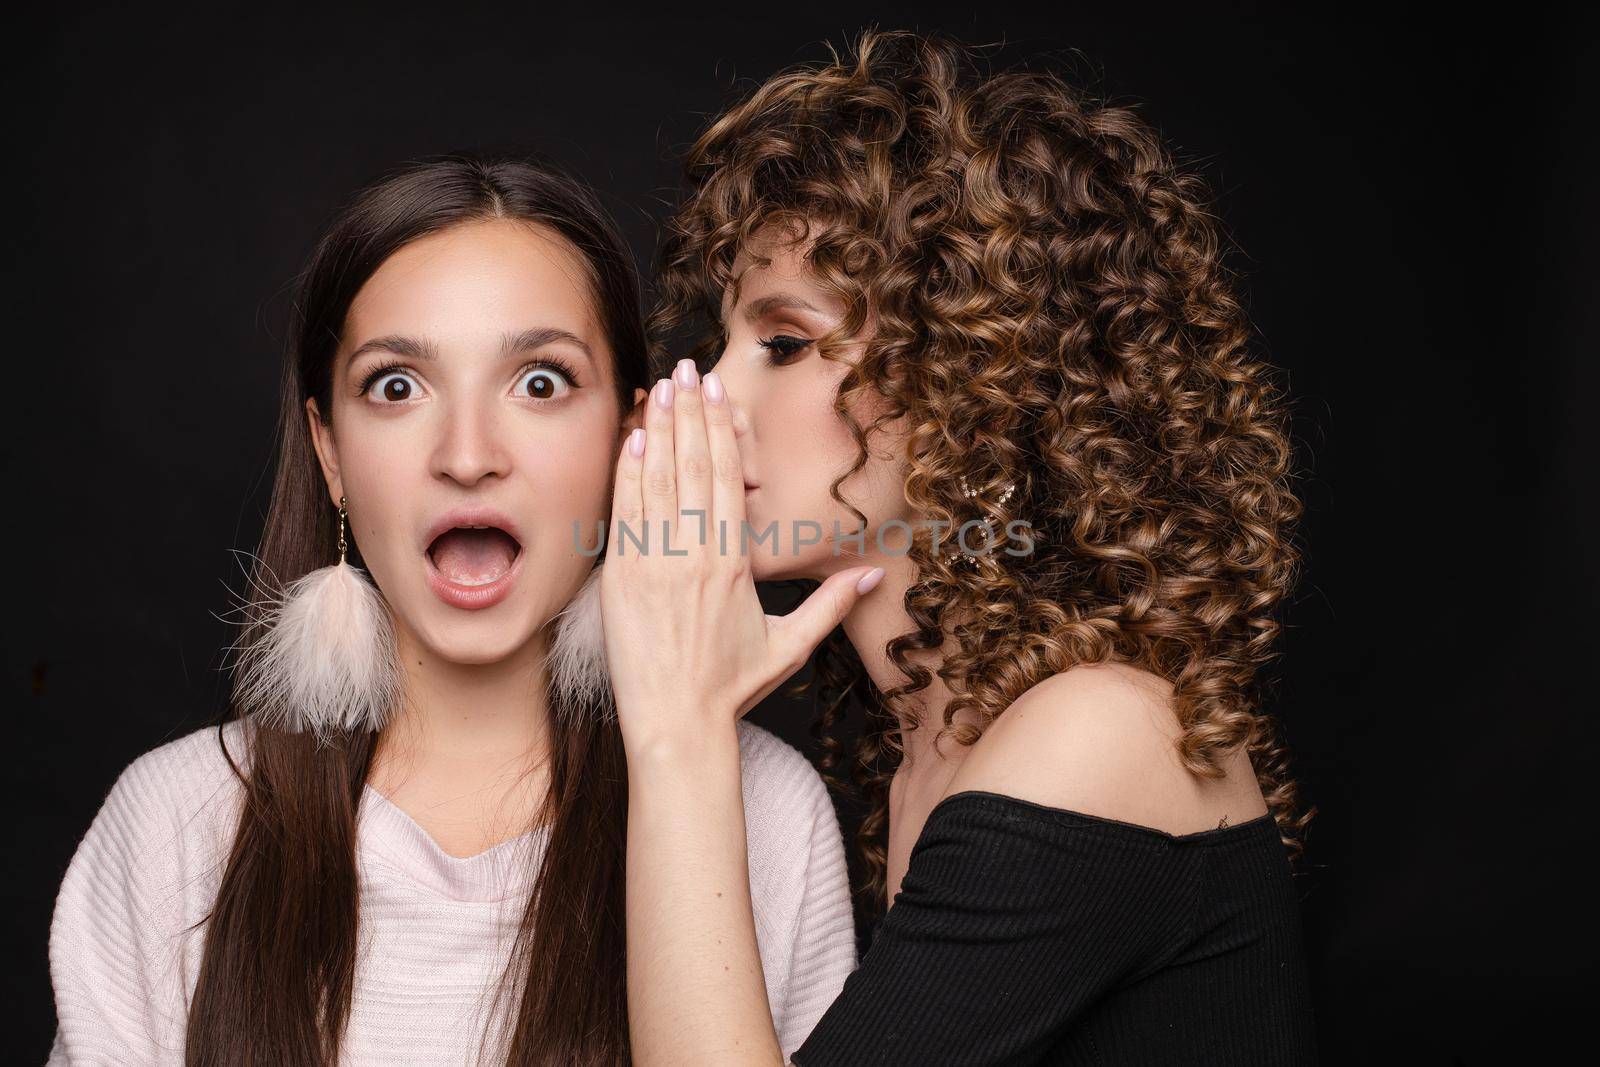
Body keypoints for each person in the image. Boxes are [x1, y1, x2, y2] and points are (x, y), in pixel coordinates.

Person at [45, 152, 857, 1066]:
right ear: (331, 452)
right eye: (397, 386)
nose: (468, 455)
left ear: (630, 437)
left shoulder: (764, 812)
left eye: (540, 382)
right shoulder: (174, 823)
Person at [606, 30, 1319, 1064]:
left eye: (786, 343)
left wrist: (676, 726)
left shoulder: (1095, 735)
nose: (711, 398)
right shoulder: (934, 753)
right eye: (722, 341)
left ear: (968, 390)